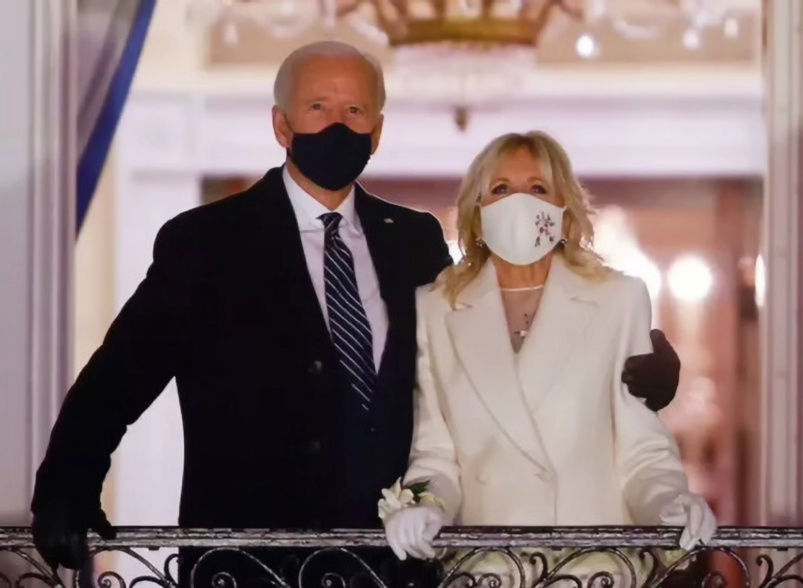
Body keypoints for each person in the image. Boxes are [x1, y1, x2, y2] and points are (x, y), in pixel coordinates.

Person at [31, 42, 682, 586]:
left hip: (393, 566)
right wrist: (68, 478)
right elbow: (121, 373)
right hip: (254, 566)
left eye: (355, 110)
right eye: (318, 108)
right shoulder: (207, 241)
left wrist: (645, 357)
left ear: (377, 128)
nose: (337, 125)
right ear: (281, 125)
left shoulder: (415, 238)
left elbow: (496, 344)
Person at [380, 131, 717, 585]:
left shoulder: (618, 299)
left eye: (538, 189)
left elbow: (642, 453)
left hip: (593, 570)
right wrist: (423, 508)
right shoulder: (436, 309)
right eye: (501, 189)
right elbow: (436, 455)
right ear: (477, 214)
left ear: (564, 209)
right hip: (489, 572)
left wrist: (671, 505)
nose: (520, 202)